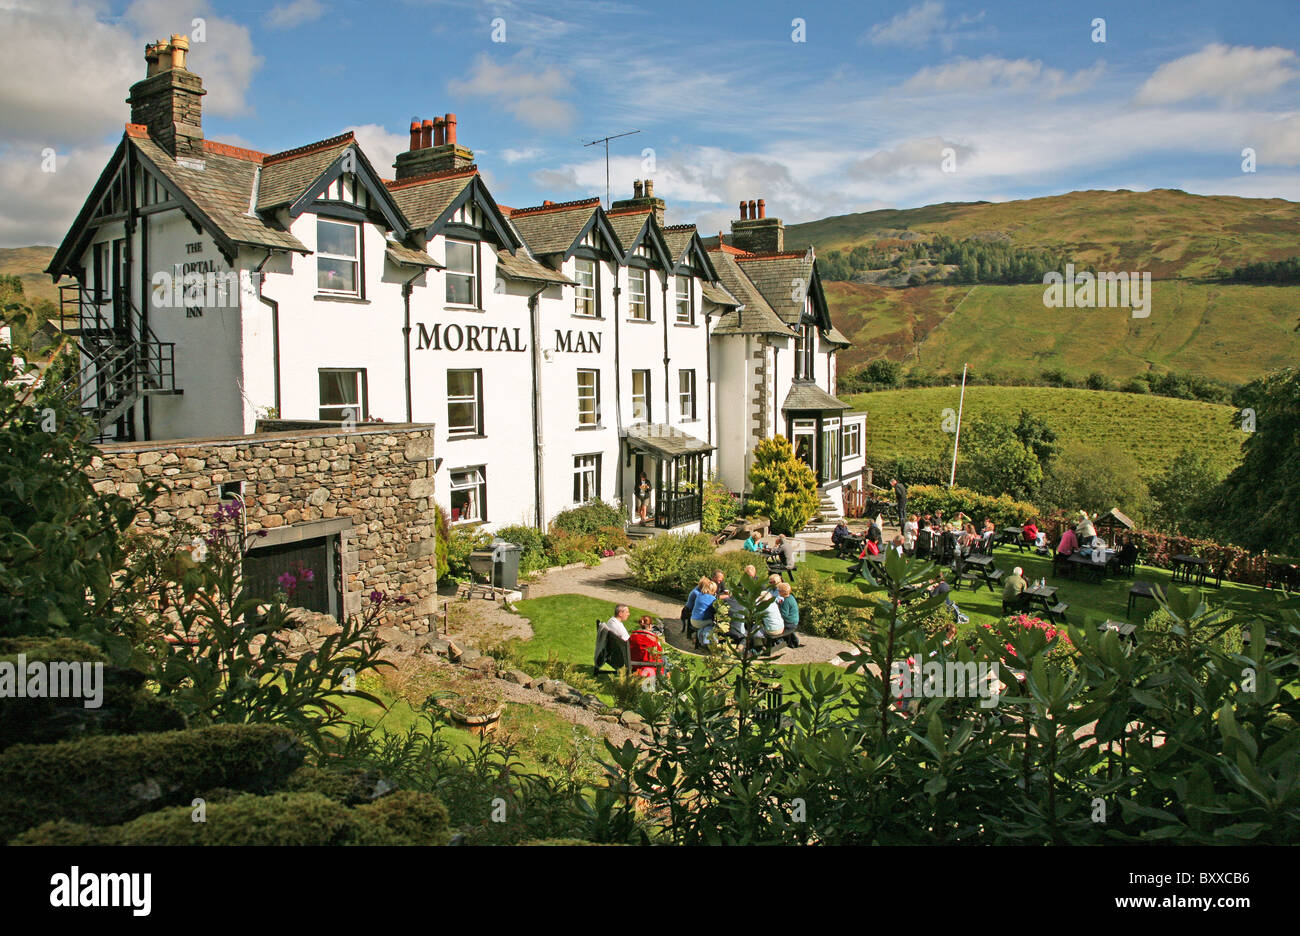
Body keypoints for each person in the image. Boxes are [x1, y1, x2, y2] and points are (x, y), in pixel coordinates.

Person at [595, 604, 632, 671]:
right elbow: (627, 641)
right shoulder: (616, 625)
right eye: (627, 612)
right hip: (622, 658)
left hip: (616, 653)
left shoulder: (612, 621)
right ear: (620, 613)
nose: (628, 614)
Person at [691, 580, 720, 647]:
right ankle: (709, 642)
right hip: (700, 622)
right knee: (714, 625)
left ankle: (698, 635)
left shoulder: (699, 595)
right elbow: (716, 610)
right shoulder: (712, 599)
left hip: (693, 619)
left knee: (708, 624)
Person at [776, 582, 800, 647]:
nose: (777, 592)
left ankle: (778, 641)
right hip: (794, 621)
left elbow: (783, 615)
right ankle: (794, 640)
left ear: (782, 592)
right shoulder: (791, 597)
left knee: (775, 625)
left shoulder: (786, 601)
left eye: (778, 590)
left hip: (789, 623)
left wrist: (777, 609)